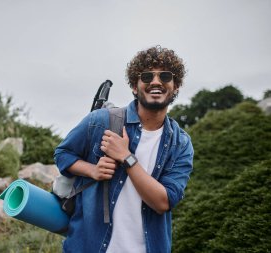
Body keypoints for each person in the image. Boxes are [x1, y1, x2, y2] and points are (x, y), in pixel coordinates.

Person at [54, 45, 194, 253]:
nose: (155, 81)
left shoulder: (181, 143)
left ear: (176, 86)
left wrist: (127, 158)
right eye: (147, 76)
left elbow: (164, 202)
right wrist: (92, 170)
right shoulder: (100, 121)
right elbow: (62, 154)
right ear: (134, 87)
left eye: (164, 76)